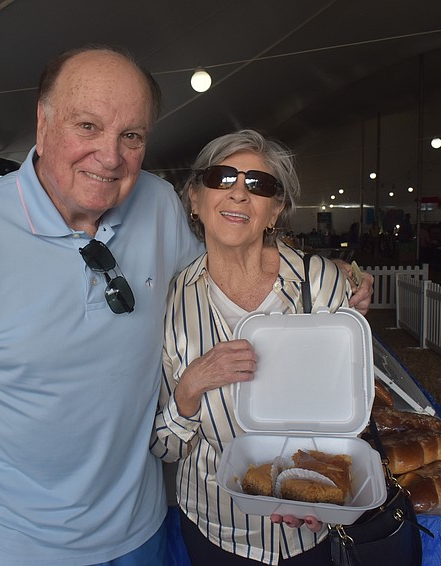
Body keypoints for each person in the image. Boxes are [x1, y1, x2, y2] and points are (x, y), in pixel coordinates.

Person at [0, 47, 375, 566]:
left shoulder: (157, 204)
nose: (110, 156)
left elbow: (224, 269)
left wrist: (336, 276)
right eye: (88, 126)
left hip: (137, 531)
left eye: (131, 136)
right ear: (43, 122)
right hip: (16, 542)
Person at [151, 130, 354, 565]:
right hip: (216, 526)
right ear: (195, 199)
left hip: (307, 527)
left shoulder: (321, 284)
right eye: (222, 178)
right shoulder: (171, 303)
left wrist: (324, 491)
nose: (239, 194)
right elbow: (164, 446)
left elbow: (347, 412)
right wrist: (189, 388)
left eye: (259, 185)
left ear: (276, 210)